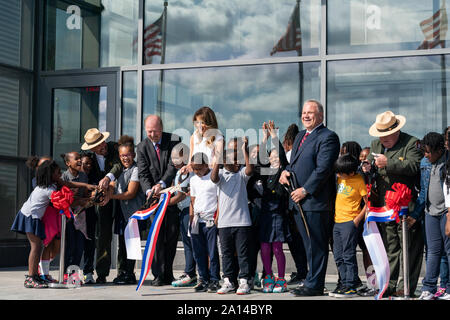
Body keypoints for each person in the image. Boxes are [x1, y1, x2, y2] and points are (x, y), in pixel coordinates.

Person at [280, 99, 340, 297]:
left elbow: (323, 169)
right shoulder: (299, 136)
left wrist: (305, 190)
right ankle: (311, 280)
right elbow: (294, 163)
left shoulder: (328, 137)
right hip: (298, 201)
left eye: (310, 113)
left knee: (316, 245)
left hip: (315, 201)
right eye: (304, 112)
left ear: (320, 116)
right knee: (308, 245)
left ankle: (315, 285)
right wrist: (285, 172)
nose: (305, 116)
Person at [363, 110, 423, 297]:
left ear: (396, 131)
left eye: (386, 135)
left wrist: (388, 162)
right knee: (390, 248)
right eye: (380, 135)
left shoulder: (412, 143)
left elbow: (414, 166)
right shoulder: (375, 144)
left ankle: (405, 287)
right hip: (383, 207)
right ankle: (389, 283)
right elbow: (373, 170)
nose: (383, 139)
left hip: (405, 206)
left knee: (409, 249)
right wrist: (367, 167)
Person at [137, 115, 181, 286]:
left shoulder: (174, 140)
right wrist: (150, 190)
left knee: (171, 236)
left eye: (155, 131)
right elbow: (142, 173)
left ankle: (168, 273)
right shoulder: (142, 146)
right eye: (149, 131)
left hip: (170, 195)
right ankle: (158, 274)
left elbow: (173, 165)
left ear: (161, 128)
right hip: (153, 199)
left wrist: (161, 184)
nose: (152, 134)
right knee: (156, 237)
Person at [211, 136, 254, 295]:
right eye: (232, 158)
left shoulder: (242, 174)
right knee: (227, 254)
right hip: (224, 224)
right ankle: (228, 280)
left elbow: (250, 169)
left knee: (243, 254)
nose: (236, 162)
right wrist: (219, 159)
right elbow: (213, 177)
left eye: (238, 159)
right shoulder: (221, 174)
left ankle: (244, 281)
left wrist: (244, 150)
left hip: (242, 223)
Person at [81, 128, 123, 284]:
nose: (102, 146)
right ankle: (100, 273)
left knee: (120, 236)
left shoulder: (114, 147)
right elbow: (84, 179)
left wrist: (108, 177)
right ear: (92, 148)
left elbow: (119, 165)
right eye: (98, 145)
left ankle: (124, 272)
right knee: (100, 237)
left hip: (119, 198)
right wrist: (93, 194)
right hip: (97, 202)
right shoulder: (87, 158)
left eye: (102, 141)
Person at [11, 160, 62, 288]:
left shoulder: (48, 186)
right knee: (36, 247)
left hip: (32, 216)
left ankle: (35, 276)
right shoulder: (48, 190)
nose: (60, 175)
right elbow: (63, 202)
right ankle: (30, 278)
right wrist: (85, 200)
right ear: (50, 175)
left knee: (38, 247)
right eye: (58, 173)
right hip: (30, 217)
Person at [103, 135, 145, 285]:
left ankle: (130, 274)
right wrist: (106, 191)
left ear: (133, 155)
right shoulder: (120, 169)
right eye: (122, 155)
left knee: (132, 244)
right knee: (122, 243)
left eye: (127, 155)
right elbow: (114, 185)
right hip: (122, 212)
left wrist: (111, 197)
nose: (125, 158)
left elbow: (130, 193)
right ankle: (124, 272)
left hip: (133, 213)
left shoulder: (137, 169)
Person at [413, 132, 450, 300]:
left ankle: (448, 288)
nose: (426, 155)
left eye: (428, 152)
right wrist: (416, 214)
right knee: (432, 252)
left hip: (446, 213)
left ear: (439, 150)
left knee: (448, 251)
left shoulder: (448, 163)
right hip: (430, 212)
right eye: (424, 152)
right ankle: (429, 288)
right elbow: (422, 192)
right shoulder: (424, 163)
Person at [258, 121, 291, 293]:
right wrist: (264, 139)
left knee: (277, 247)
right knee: (265, 246)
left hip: (278, 213)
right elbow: (259, 162)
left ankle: (281, 278)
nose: (273, 158)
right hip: (265, 214)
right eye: (271, 156)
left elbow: (284, 160)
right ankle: (269, 276)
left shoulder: (283, 171)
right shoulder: (265, 172)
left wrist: (274, 137)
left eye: (276, 156)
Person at [330, 154, 368, 298]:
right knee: (338, 255)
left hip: (349, 222)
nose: (338, 174)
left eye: (341, 172)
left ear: (351, 172)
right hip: (337, 222)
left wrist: (357, 220)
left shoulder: (358, 180)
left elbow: (367, 203)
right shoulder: (340, 177)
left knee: (348, 255)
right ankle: (344, 283)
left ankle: (351, 285)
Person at [189, 152, 221, 293]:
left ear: (206, 165)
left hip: (210, 219)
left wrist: (217, 217)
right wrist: (191, 219)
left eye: (199, 169)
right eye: (194, 169)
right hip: (197, 220)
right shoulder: (194, 180)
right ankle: (203, 278)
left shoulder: (213, 178)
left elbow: (220, 199)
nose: (196, 172)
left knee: (212, 252)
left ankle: (214, 279)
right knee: (198, 252)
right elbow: (193, 200)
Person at [170, 144, 197, 287]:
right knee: (187, 243)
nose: (174, 161)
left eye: (177, 157)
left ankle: (191, 273)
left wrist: (164, 204)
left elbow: (180, 196)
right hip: (183, 211)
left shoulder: (187, 172)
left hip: (189, 210)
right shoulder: (178, 171)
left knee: (190, 242)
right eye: (172, 157)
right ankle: (190, 272)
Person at [60, 152, 91, 278]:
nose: (80, 161)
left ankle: (74, 275)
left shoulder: (84, 176)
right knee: (69, 246)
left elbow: (84, 195)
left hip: (80, 216)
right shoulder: (63, 178)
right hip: (67, 217)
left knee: (79, 247)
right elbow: (64, 200)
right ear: (68, 163)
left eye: (80, 159)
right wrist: (79, 201)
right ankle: (65, 274)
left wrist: (89, 199)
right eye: (76, 159)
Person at [181, 106, 223, 174]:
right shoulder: (193, 137)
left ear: (210, 123)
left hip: (209, 177)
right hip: (194, 176)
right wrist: (186, 168)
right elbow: (190, 163)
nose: (199, 125)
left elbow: (215, 165)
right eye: (197, 122)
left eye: (202, 122)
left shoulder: (218, 139)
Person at [79, 152, 96, 284]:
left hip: (89, 213)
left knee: (89, 243)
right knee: (75, 245)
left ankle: (88, 272)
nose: (86, 166)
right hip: (75, 215)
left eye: (89, 163)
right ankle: (71, 273)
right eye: (83, 163)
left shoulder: (94, 178)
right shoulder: (73, 177)